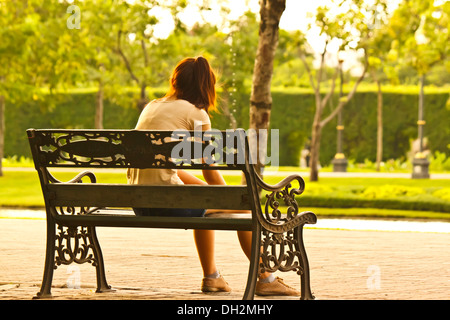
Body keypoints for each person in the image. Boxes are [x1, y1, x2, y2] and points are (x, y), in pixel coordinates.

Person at [127, 56, 299, 296]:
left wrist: (215, 196)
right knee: (243, 212)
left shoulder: (152, 106)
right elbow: (208, 168)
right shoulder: (195, 113)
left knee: (205, 200)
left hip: (139, 202)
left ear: (175, 80)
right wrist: (231, 201)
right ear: (204, 85)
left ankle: (213, 278)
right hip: (167, 205)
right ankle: (266, 278)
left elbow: (165, 168)